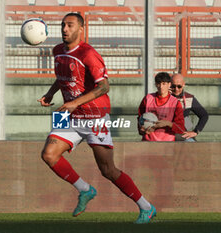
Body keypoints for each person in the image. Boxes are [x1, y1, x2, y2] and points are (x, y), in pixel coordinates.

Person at [37, 13, 156, 224]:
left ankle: (146, 207)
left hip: (95, 116)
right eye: (63, 25)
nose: (65, 29)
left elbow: (104, 86)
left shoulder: (89, 54)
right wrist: (50, 93)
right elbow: (62, 76)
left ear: (81, 29)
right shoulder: (57, 51)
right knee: (48, 154)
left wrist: (76, 101)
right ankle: (85, 189)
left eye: (70, 25)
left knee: (108, 170)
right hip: (69, 114)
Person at [137, 72, 185, 141]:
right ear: (156, 84)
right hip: (148, 142)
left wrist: (168, 124)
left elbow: (181, 129)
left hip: (167, 144)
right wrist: (143, 130)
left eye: (164, 84)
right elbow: (140, 119)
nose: (161, 86)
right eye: (158, 83)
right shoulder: (147, 99)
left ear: (169, 84)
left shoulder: (175, 103)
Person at [171, 73, 209, 141]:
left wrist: (195, 131)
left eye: (179, 86)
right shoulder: (164, 98)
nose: (176, 89)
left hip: (184, 133)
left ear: (183, 84)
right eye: (173, 86)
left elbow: (204, 115)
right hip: (167, 133)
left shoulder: (189, 98)